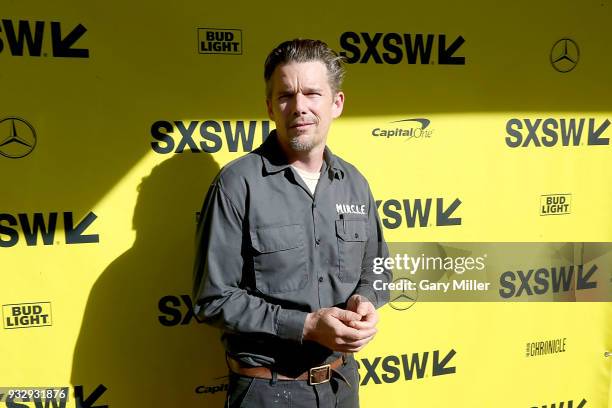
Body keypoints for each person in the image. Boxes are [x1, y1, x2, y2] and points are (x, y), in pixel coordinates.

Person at [192, 38, 391, 408]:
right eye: (286, 95)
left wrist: (366, 299)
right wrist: (307, 325)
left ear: (337, 103)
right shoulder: (237, 184)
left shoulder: (354, 183)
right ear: (270, 106)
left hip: (342, 386)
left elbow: (377, 268)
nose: (299, 107)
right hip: (267, 392)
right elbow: (213, 299)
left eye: (313, 93)